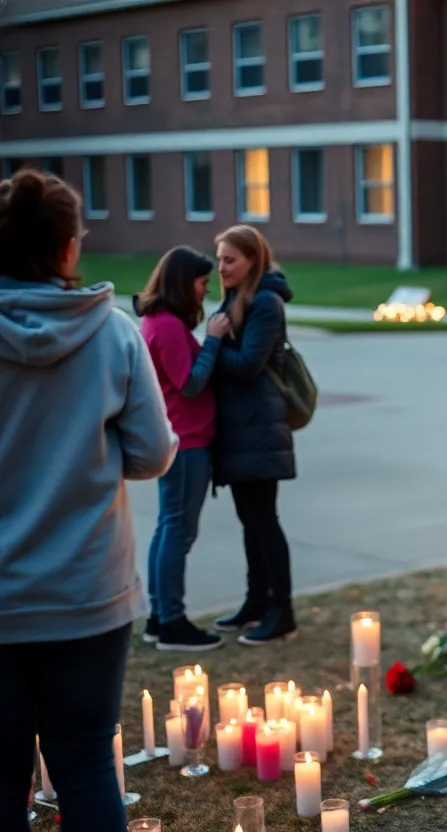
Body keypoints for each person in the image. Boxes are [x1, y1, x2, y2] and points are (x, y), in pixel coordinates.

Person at [0, 170, 178, 832]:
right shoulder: (113, 333)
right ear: (69, 246)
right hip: (87, 591)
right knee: (85, 764)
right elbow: (153, 454)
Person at [209, 225, 299, 646]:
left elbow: (248, 365)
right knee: (250, 520)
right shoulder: (236, 298)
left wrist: (213, 345)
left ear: (252, 260)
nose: (221, 268)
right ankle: (256, 602)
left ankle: (282, 611)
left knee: (264, 520)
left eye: (230, 260)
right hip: (242, 427)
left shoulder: (265, 302)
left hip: (260, 427)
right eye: (219, 259)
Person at [137, 247, 231, 651]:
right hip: (187, 442)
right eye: (202, 281)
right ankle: (171, 622)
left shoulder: (156, 321)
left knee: (168, 527)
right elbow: (190, 383)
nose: (205, 289)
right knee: (178, 530)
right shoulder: (167, 326)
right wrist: (213, 341)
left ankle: (160, 617)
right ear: (182, 281)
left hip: (178, 438)